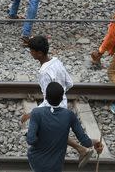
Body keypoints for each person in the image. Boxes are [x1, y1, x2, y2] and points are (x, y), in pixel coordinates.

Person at [22, 36, 95, 166]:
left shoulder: (44, 73)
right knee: (58, 131)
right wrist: (59, 93)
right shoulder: (57, 62)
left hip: (51, 107)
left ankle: (80, 149)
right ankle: (82, 148)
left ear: (39, 53)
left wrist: (33, 113)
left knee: (47, 132)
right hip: (62, 102)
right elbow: (69, 83)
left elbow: (47, 98)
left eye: (32, 51)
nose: (31, 53)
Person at [26, 82, 102, 172]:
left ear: (45, 97)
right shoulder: (69, 115)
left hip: (36, 162)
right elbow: (86, 142)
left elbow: (31, 140)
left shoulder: (36, 113)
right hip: (55, 166)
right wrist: (96, 141)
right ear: (62, 98)